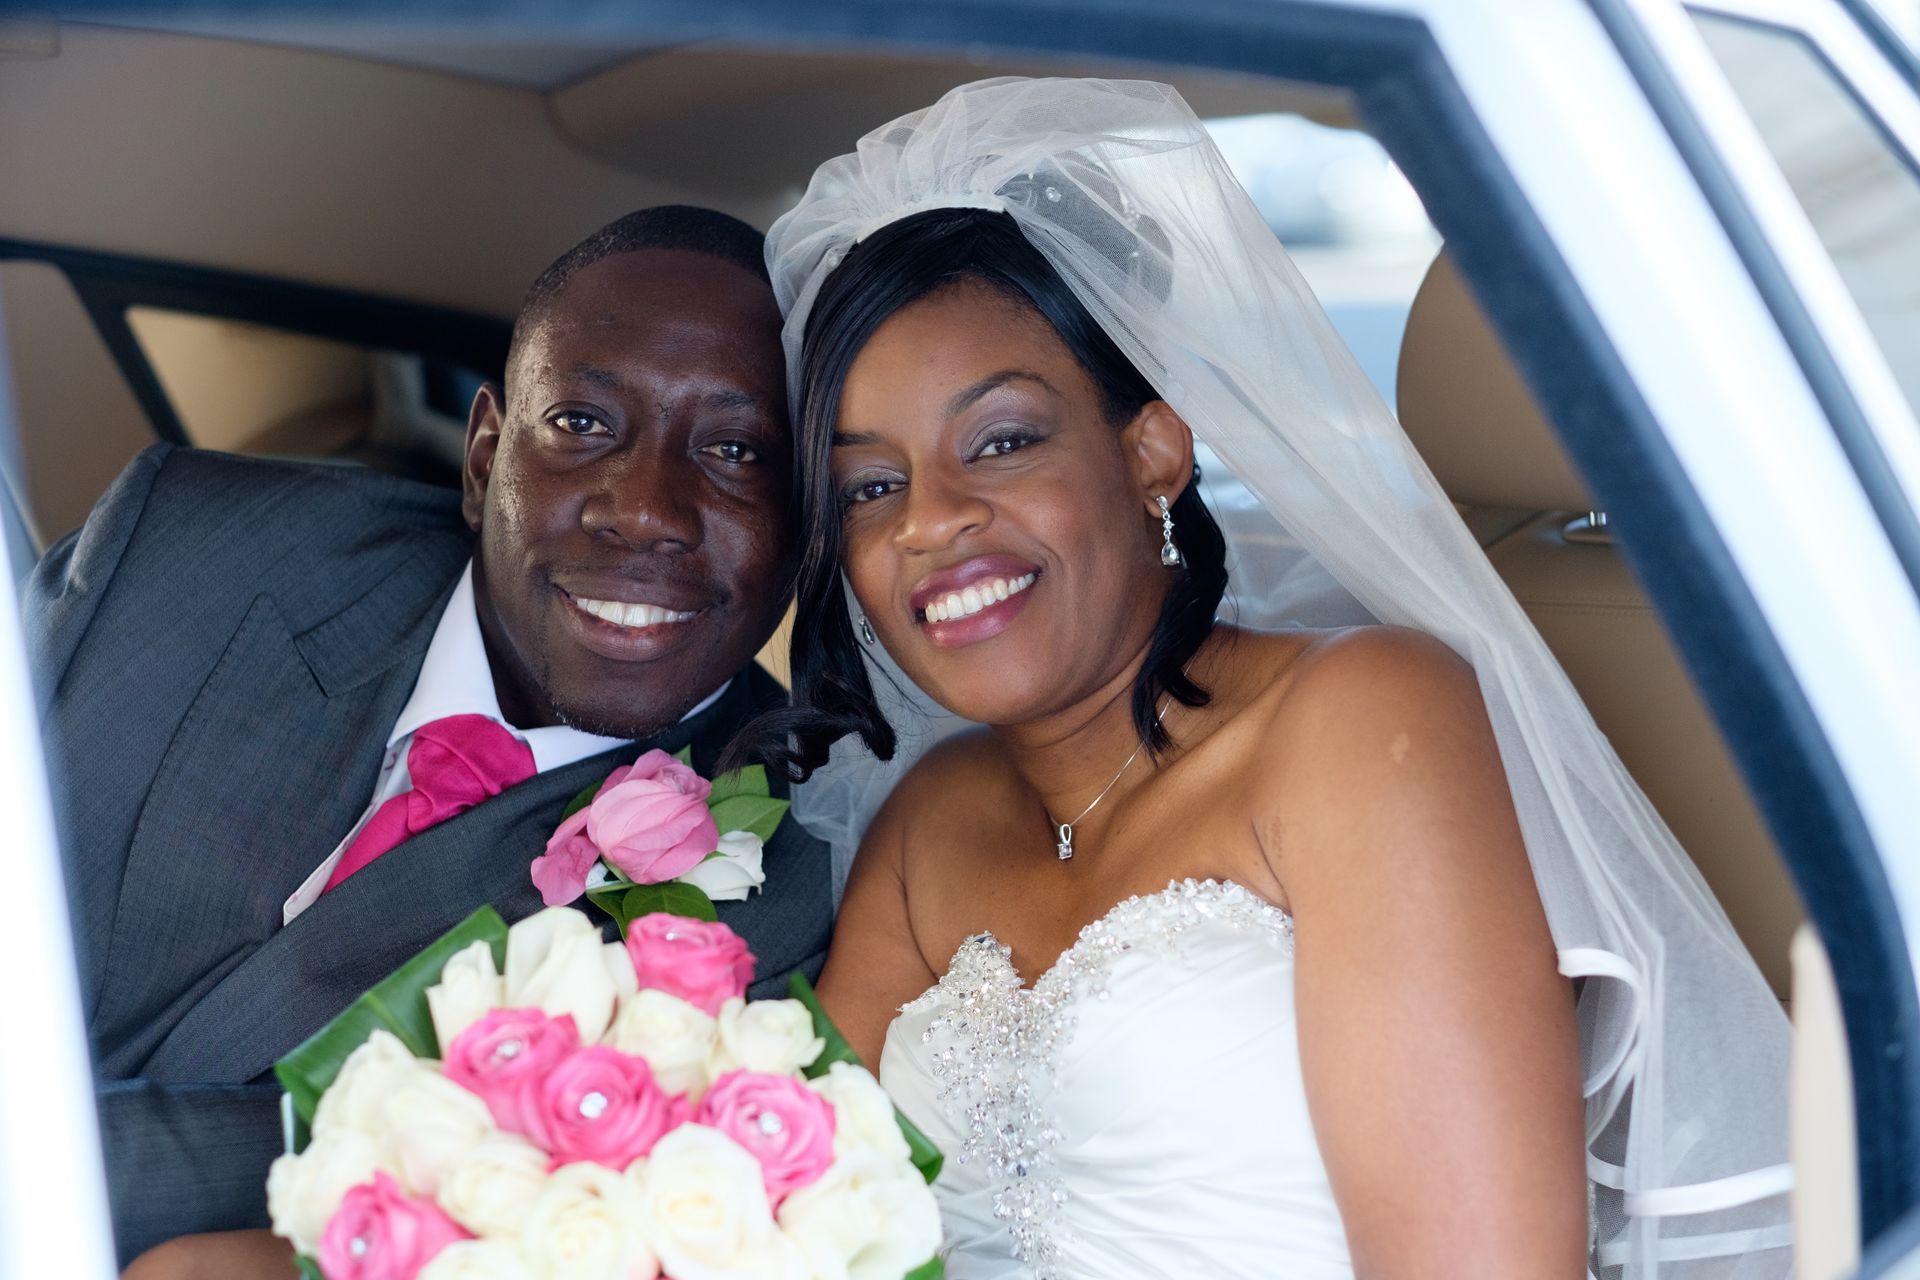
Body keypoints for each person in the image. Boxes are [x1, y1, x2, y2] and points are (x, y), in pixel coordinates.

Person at [747, 79, 1794, 1277]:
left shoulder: (1365, 719)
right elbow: (788, 1211)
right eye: (872, 487)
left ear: (1153, 450)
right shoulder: (929, 821)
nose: (929, 520)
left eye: (1002, 441)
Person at [27, 206, 835, 1269]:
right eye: (583, 423)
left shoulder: (787, 894)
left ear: (807, 525)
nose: (645, 510)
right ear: (486, 453)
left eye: (735, 450)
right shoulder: (187, 546)